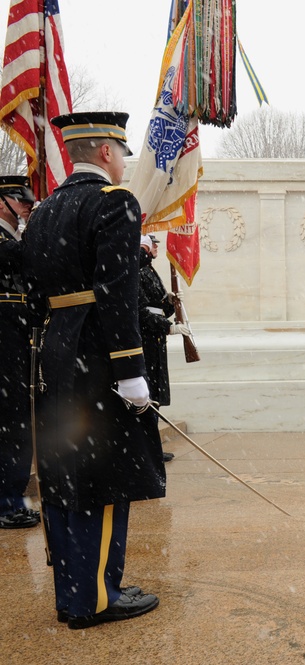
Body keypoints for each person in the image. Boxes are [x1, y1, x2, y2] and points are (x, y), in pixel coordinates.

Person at [21, 111, 163, 628]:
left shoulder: (43, 212)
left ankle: (74, 593)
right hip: (99, 357)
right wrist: (130, 368)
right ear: (106, 152)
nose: (125, 162)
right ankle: (97, 598)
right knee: (104, 479)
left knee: (65, 475)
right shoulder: (114, 204)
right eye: (122, 152)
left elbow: (37, 296)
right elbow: (117, 293)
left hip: (56, 353)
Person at [0, 175, 40, 529]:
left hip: (17, 349)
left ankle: (13, 497)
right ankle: (5, 502)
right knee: (10, 427)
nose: (26, 205)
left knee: (18, 427)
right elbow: (17, 256)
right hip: (4, 352)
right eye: (19, 199)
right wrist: (40, 231)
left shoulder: (14, 237)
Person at [137, 234, 189, 463]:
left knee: (154, 394)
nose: (157, 246)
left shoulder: (148, 269)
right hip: (146, 338)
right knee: (146, 394)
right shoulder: (138, 271)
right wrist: (168, 327)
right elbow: (140, 312)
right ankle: (145, 451)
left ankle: (151, 449)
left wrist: (169, 302)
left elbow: (157, 307)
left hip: (155, 339)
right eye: (152, 243)